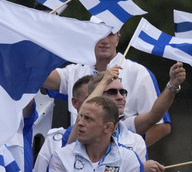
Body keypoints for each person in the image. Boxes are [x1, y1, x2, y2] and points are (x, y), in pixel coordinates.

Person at [42, 31, 172, 145]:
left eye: (110, 34)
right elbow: (39, 76)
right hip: (78, 157)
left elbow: (161, 126)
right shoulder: (76, 71)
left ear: (118, 38)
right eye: (99, 33)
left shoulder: (138, 72)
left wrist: (130, 152)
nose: (104, 40)